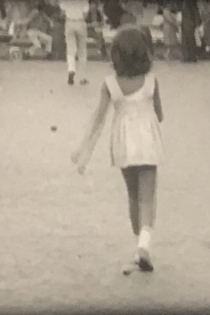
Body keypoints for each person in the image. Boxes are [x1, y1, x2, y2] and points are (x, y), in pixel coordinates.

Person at [71, 25, 164, 273]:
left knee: (133, 196)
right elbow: (160, 115)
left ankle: (138, 245)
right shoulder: (152, 81)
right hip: (148, 143)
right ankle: (144, 246)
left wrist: (83, 151)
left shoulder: (110, 84)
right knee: (148, 198)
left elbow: (98, 120)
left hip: (123, 145)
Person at [59, 0, 89, 85]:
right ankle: (82, 77)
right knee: (82, 50)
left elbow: (62, 13)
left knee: (70, 48)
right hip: (80, 22)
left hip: (69, 22)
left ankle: (71, 69)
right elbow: (85, 15)